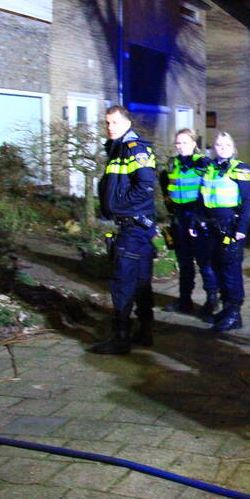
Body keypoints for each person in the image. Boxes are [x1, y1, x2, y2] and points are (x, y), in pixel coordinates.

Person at [89, 105, 157, 355]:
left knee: (122, 283)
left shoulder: (133, 148)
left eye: (115, 122)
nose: (110, 127)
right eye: (107, 123)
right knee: (140, 281)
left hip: (132, 227)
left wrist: (117, 206)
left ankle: (120, 338)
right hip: (136, 227)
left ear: (127, 122)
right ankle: (144, 331)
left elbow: (146, 186)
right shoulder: (117, 149)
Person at [191, 131, 250, 333]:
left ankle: (235, 313)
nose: (222, 148)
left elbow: (248, 202)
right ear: (213, 148)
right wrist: (194, 222)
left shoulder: (240, 169)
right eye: (219, 145)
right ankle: (226, 310)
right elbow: (201, 200)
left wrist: (242, 229)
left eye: (226, 145)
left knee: (231, 270)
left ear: (233, 148)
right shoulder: (209, 169)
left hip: (230, 227)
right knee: (217, 268)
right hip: (211, 227)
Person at [162, 129, 219, 318]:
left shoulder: (203, 163)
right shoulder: (172, 164)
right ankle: (184, 300)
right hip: (179, 220)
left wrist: (201, 217)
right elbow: (167, 189)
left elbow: (210, 191)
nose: (180, 147)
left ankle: (212, 301)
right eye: (178, 143)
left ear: (194, 143)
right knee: (184, 263)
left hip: (198, 219)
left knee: (204, 262)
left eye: (185, 143)